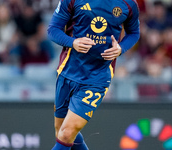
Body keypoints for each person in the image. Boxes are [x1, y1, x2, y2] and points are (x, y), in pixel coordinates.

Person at [47, 0, 140, 149]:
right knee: (62, 132)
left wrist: (121, 48)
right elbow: (53, 30)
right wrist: (73, 42)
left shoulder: (129, 4)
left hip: (97, 77)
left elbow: (134, 33)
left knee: (66, 133)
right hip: (67, 72)